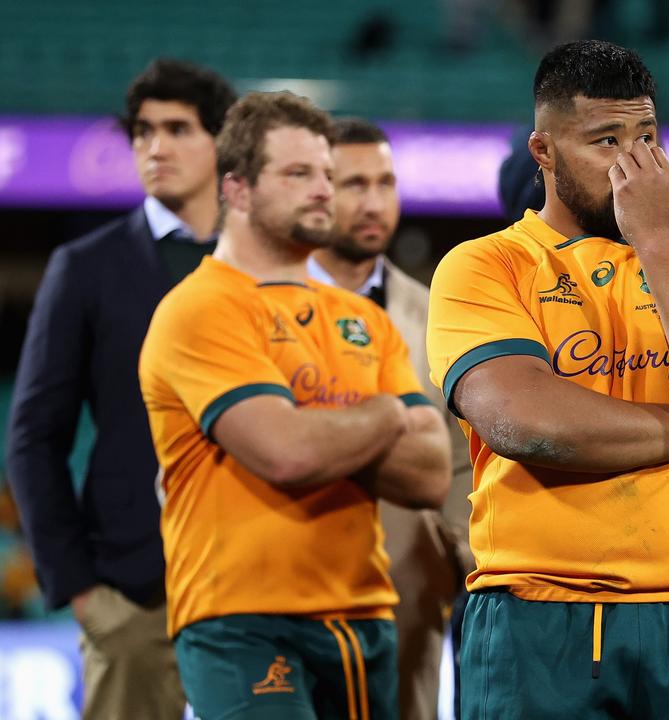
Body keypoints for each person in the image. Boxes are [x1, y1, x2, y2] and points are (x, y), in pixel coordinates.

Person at [426, 40, 669, 719]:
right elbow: (524, 421)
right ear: (543, 152)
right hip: (540, 615)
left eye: (647, 137)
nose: (634, 163)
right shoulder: (485, 266)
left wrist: (655, 240)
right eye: (606, 140)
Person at [138, 91, 453, 720]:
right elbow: (285, 454)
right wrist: (388, 415)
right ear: (239, 190)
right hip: (242, 624)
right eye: (298, 173)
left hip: (366, 617)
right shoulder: (199, 309)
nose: (322, 191)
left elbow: (428, 474)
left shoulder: (363, 318)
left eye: (326, 175)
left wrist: (318, 427)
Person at [5, 58, 235, 719]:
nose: (154, 147)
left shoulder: (267, 265)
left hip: (257, 589)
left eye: (176, 128)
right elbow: (33, 437)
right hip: (132, 596)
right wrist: (78, 588)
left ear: (221, 142)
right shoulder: (84, 267)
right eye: (141, 131)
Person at [307, 117, 473, 720]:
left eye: (386, 183)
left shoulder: (438, 316)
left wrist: (463, 556)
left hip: (408, 592)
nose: (374, 202)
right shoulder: (259, 308)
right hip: (287, 583)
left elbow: (464, 454)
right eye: (355, 184)